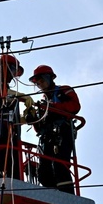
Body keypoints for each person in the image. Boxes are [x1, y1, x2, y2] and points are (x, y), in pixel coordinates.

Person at [25, 65, 80, 194]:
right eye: (37, 83)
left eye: (42, 81)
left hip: (61, 133)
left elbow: (75, 106)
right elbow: (39, 129)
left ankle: (67, 197)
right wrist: (33, 119)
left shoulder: (63, 90)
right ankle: (52, 194)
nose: (40, 85)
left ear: (50, 78)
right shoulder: (42, 101)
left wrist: (53, 107)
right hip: (46, 137)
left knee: (60, 166)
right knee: (43, 171)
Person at [0, 54, 33, 181]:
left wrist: (26, 118)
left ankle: (15, 183)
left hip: (8, 130)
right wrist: (23, 96)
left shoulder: (7, 88)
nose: (13, 75)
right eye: (13, 70)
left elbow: (9, 111)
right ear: (5, 67)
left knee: (13, 161)